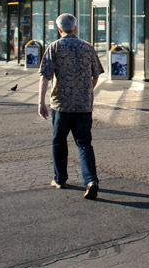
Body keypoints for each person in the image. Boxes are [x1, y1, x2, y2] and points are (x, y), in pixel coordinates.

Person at [38, 13, 104, 200]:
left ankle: (60, 178)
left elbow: (45, 76)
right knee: (84, 144)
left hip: (61, 104)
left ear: (59, 29)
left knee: (59, 141)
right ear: (75, 28)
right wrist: (86, 91)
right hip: (83, 105)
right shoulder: (87, 47)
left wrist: (41, 102)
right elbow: (96, 74)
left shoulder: (55, 47)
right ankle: (91, 180)